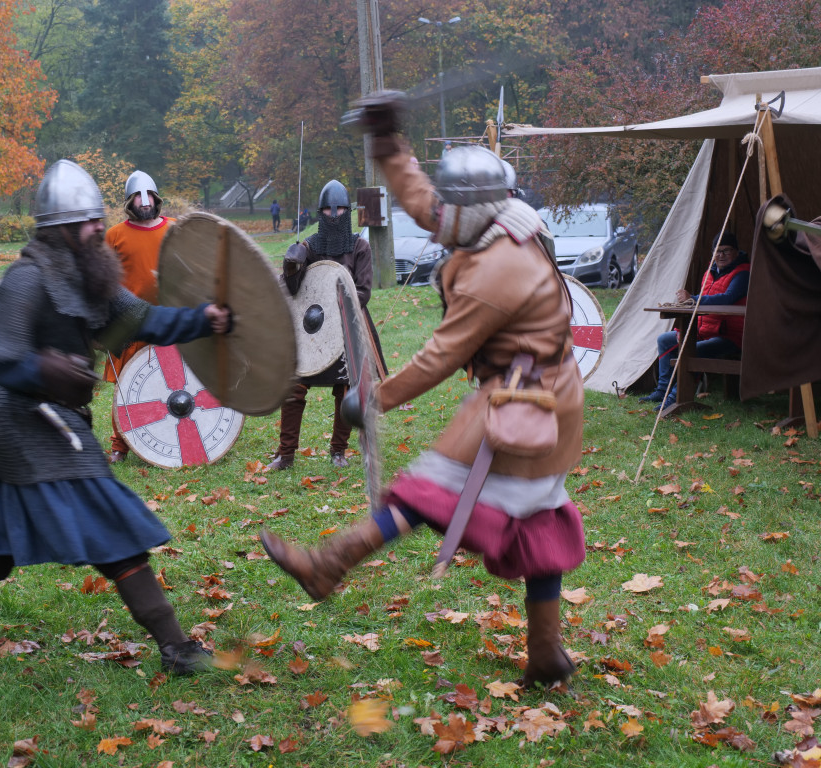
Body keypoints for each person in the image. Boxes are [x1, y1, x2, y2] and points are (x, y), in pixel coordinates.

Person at [261, 92, 586, 689]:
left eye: (447, 210)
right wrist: (387, 141)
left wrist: (376, 396)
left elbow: (441, 355)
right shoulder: (500, 217)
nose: (438, 217)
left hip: (524, 403)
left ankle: (326, 566)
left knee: (425, 490)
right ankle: (546, 653)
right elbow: (422, 201)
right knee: (541, 518)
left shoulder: (497, 271)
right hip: (541, 396)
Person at [0, 160, 230, 676]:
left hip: (48, 424)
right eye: (87, 222)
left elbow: (146, 320)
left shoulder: (93, 275)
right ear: (58, 228)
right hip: (24, 425)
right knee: (117, 531)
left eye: (96, 219)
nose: (97, 230)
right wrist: (42, 367)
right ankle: (177, 649)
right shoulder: (28, 279)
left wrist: (203, 319)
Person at [268, 179, 384, 470]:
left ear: (348, 210)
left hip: (347, 325)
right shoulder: (310, 246)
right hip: (311, 329)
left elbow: (364, 291)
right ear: (321, 213)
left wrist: (335, 302)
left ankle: (338, 452)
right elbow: (293, 290)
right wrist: (291, 265)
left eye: (341, 209)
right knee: (294, 387)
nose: (335, 215)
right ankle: (286, 454)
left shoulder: (359, 247)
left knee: (346, 390)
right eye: (330, 211)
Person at [102, 170, 175, 464]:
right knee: (128, 385)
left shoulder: (175, 229)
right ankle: (120, 445)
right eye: (137, 196)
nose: (143, 202)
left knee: (172, 383)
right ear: (129, 202)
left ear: (156, 199)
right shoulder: (114, 235)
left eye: (148, 196)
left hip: (170, 321)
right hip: (129, 322)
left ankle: (167, 436)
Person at [640, 232, 750, 411]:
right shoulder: (709, 273)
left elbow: (728, 298)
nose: (721, 255)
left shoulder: (743, 273)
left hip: (730, 336)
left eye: (726, 251)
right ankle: (662, 390)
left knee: (695, 350)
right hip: (705, 331)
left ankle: (677, 398)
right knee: (664, 339)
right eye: (717, 251)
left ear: (736, 252)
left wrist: (692, 298)